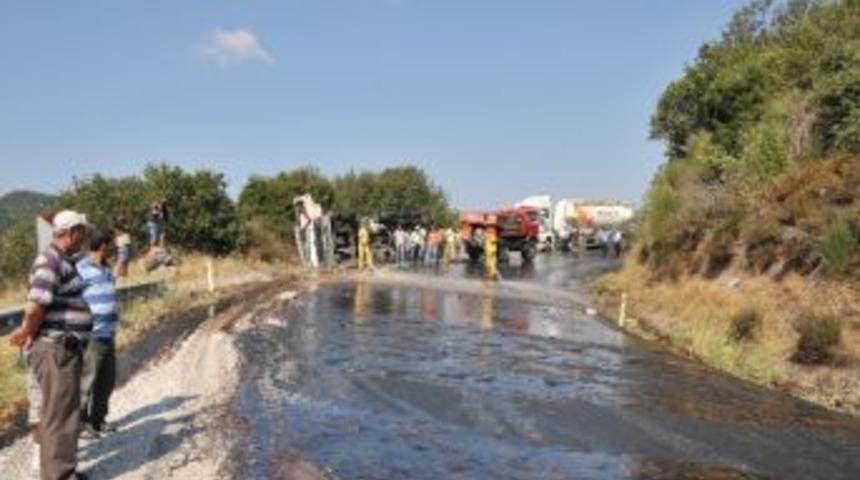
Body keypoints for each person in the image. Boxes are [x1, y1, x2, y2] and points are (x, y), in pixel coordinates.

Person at [9, 210, 92, 480]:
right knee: (60, 415)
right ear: (73, 232)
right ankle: (58, 476)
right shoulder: (49, 260)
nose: (85, 238)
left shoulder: (63, 260)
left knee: (65, 411)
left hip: (64, 348)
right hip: (56, 348)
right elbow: (35, 306)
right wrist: (26, 331)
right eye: (83, 232)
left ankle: (63, 471)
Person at [78, 229, 120, 438]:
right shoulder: (82, 269)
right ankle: (81, 425)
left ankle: (98, 420)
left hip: (108, 333)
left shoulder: (106, 268)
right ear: (102, 246)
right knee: (87, 381)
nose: (111, 249)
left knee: (107, 380)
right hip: (92, 335)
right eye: (109, 245)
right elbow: (74, 298)